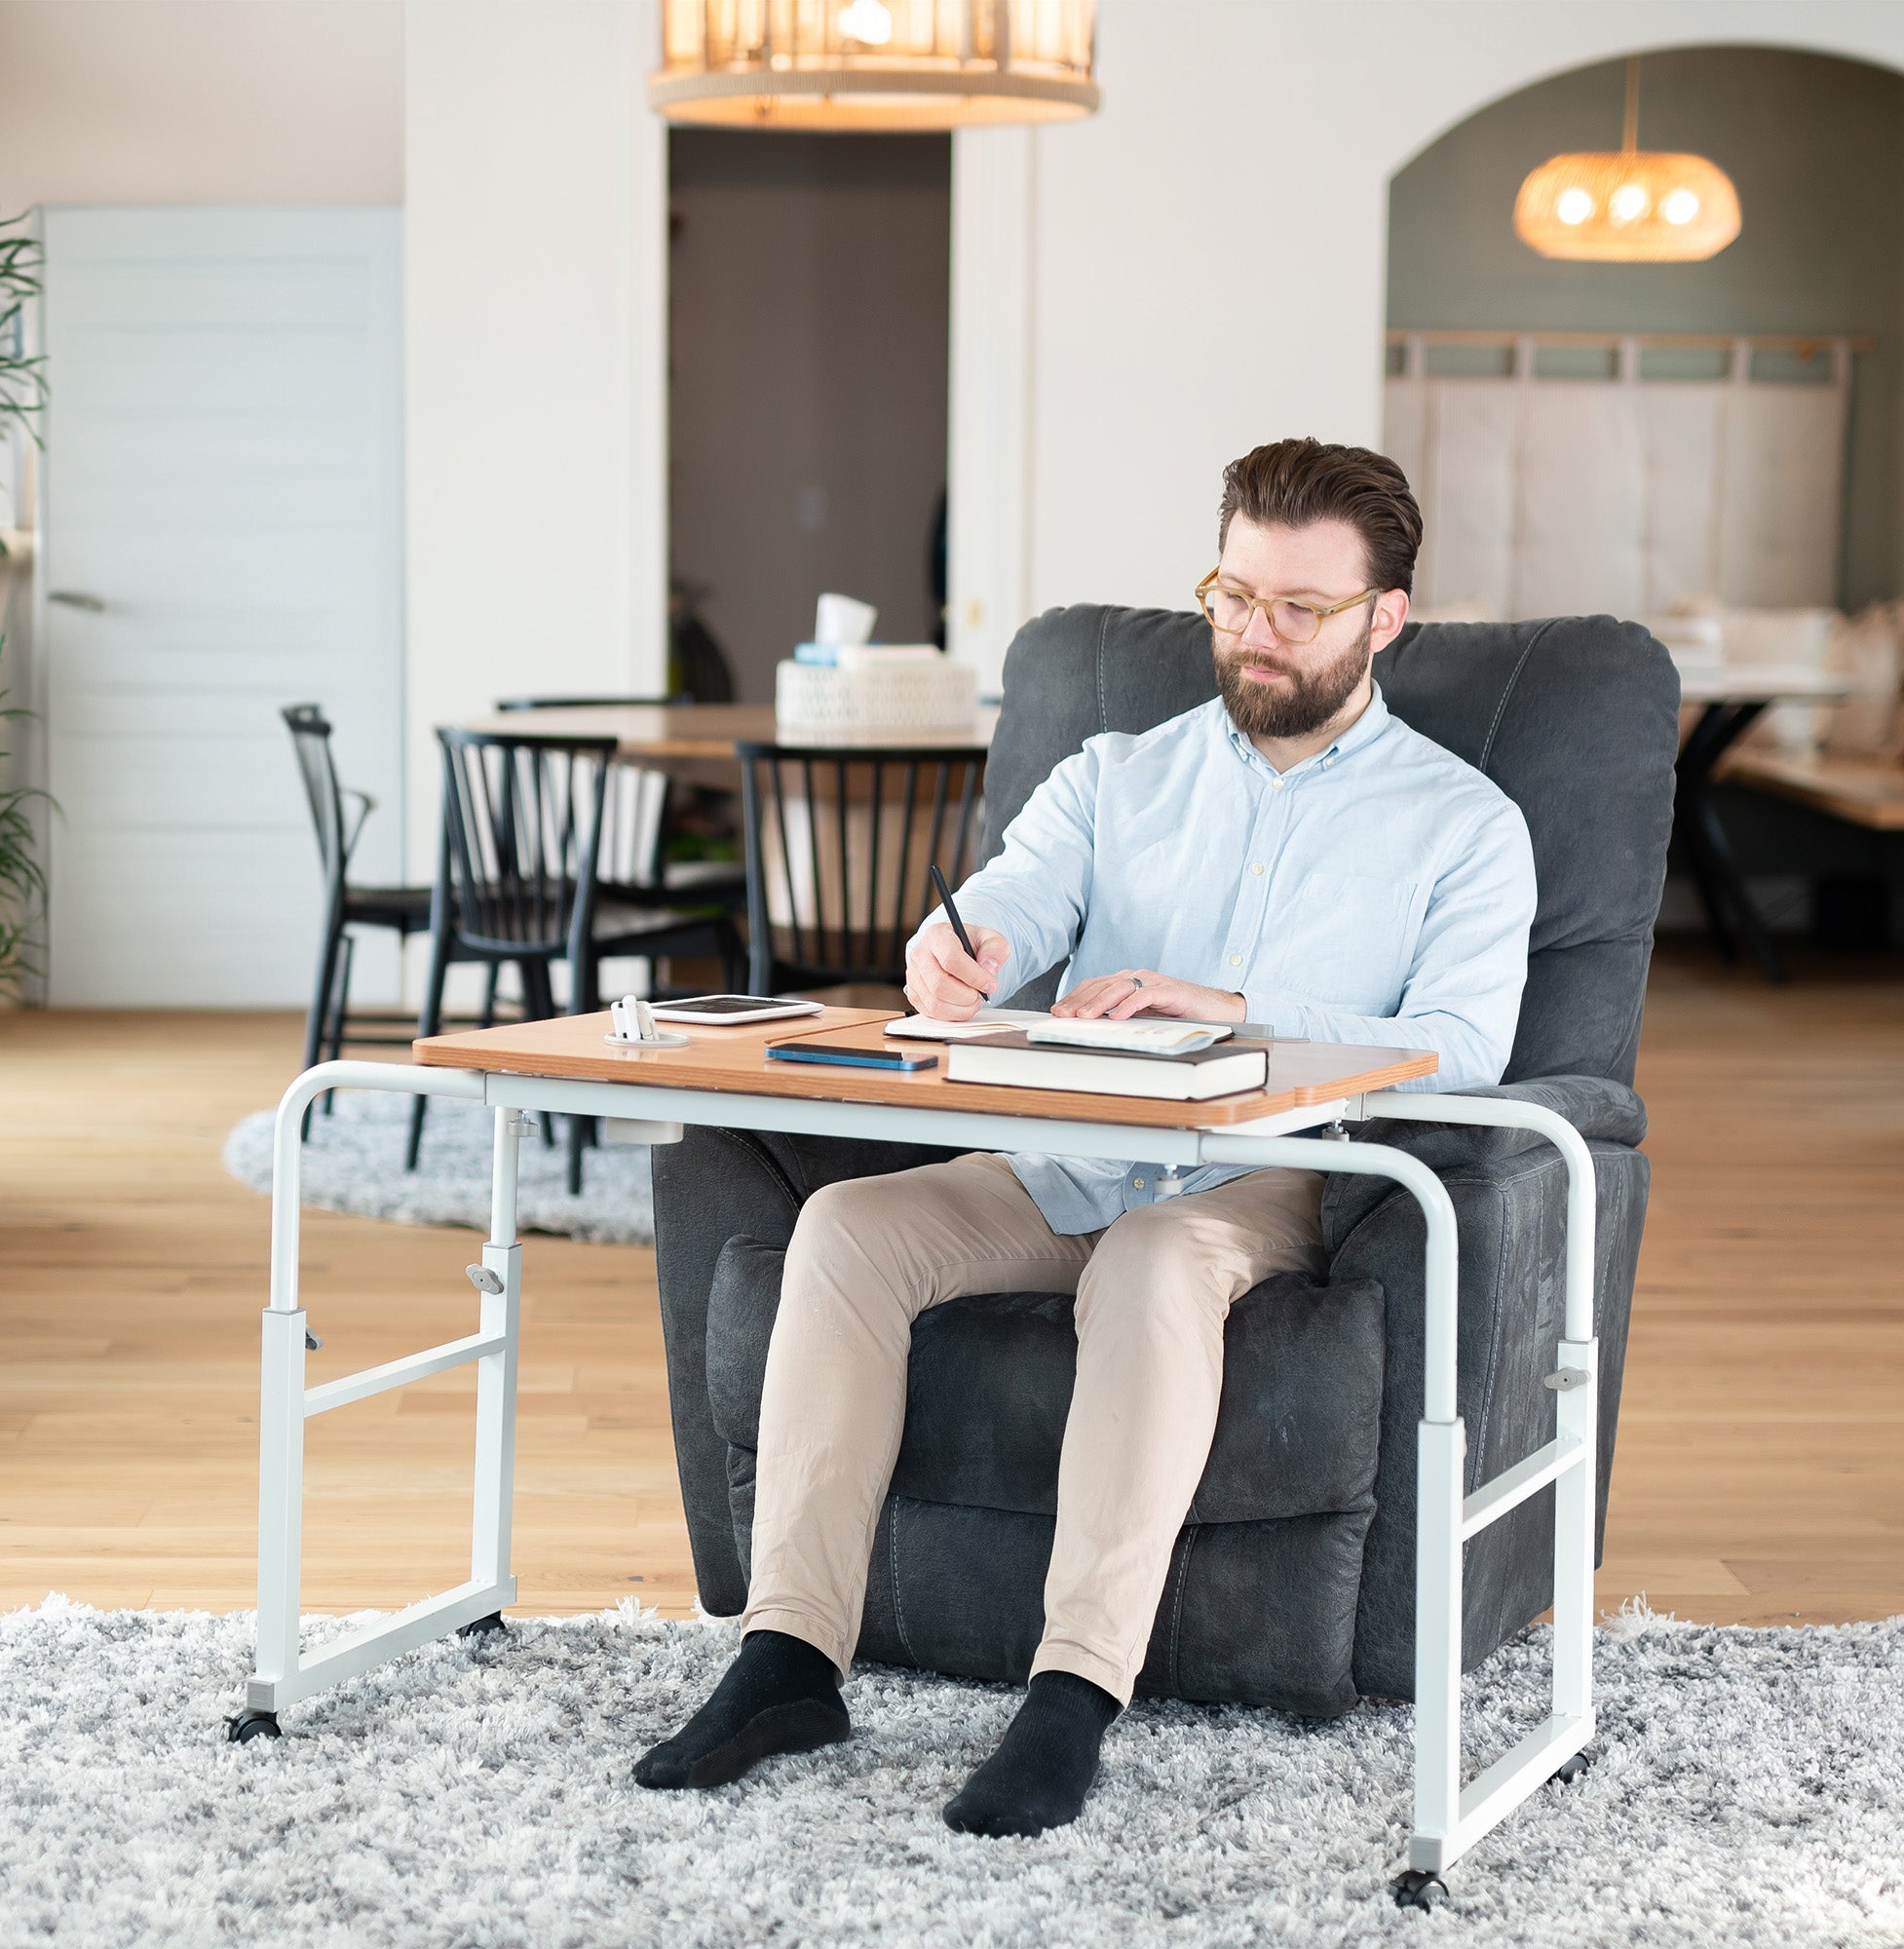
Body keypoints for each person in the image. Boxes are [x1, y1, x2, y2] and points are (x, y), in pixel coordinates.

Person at [633, 438, 1538, 1836]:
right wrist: (966, 956)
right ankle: (788, 1654)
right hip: (1071, 1159)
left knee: (1161, 1260)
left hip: (1277, 1178)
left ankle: (1072, 1696)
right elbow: (1005, 912)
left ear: (1386, 618)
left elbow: (1466, 1049)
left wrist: (1232, 1009)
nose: (1257, 634)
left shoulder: (1464, 826)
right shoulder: (1118, 774)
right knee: (848, 1230)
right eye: (1233, 597)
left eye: (1300, 608)